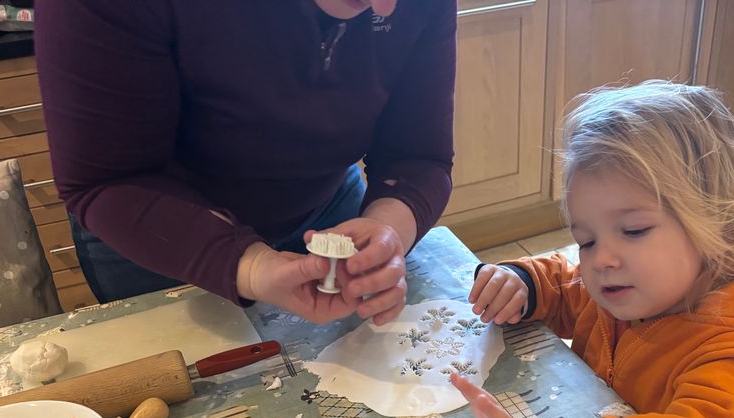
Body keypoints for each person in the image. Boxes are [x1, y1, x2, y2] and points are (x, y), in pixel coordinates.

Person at [451, 80, 734, 418]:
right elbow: (566, 288)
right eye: (586, 240)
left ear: (715, 222)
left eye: (634, 230)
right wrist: (521, 282)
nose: (601, 259)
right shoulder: (625, 287)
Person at [34, 0, 456, 326]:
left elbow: (417, 155)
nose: (385, 7)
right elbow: (107, 181)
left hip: (325, 203)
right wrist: (252, 266)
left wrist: (387, 230)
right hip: (157, 230)